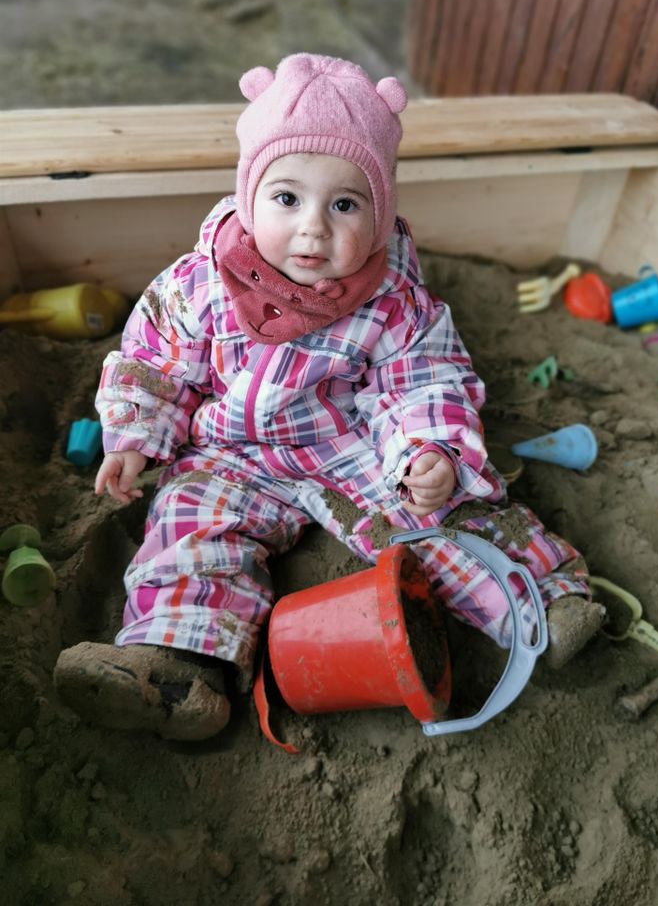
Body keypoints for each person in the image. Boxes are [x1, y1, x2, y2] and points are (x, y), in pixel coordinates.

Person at [54, 53, 604, 741]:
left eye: (344, 204)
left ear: (379, 214)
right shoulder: (202, 283)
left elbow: (423, 382)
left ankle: (543, 606)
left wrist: (425, 450)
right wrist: (137, 434)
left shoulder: (394, 303)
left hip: (349, 446)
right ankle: (177, 668)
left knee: (440, 510)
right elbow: (156, 357)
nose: (313, 228)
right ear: (249, 193)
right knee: (189, 527)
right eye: (286, 198)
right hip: (232, 452)